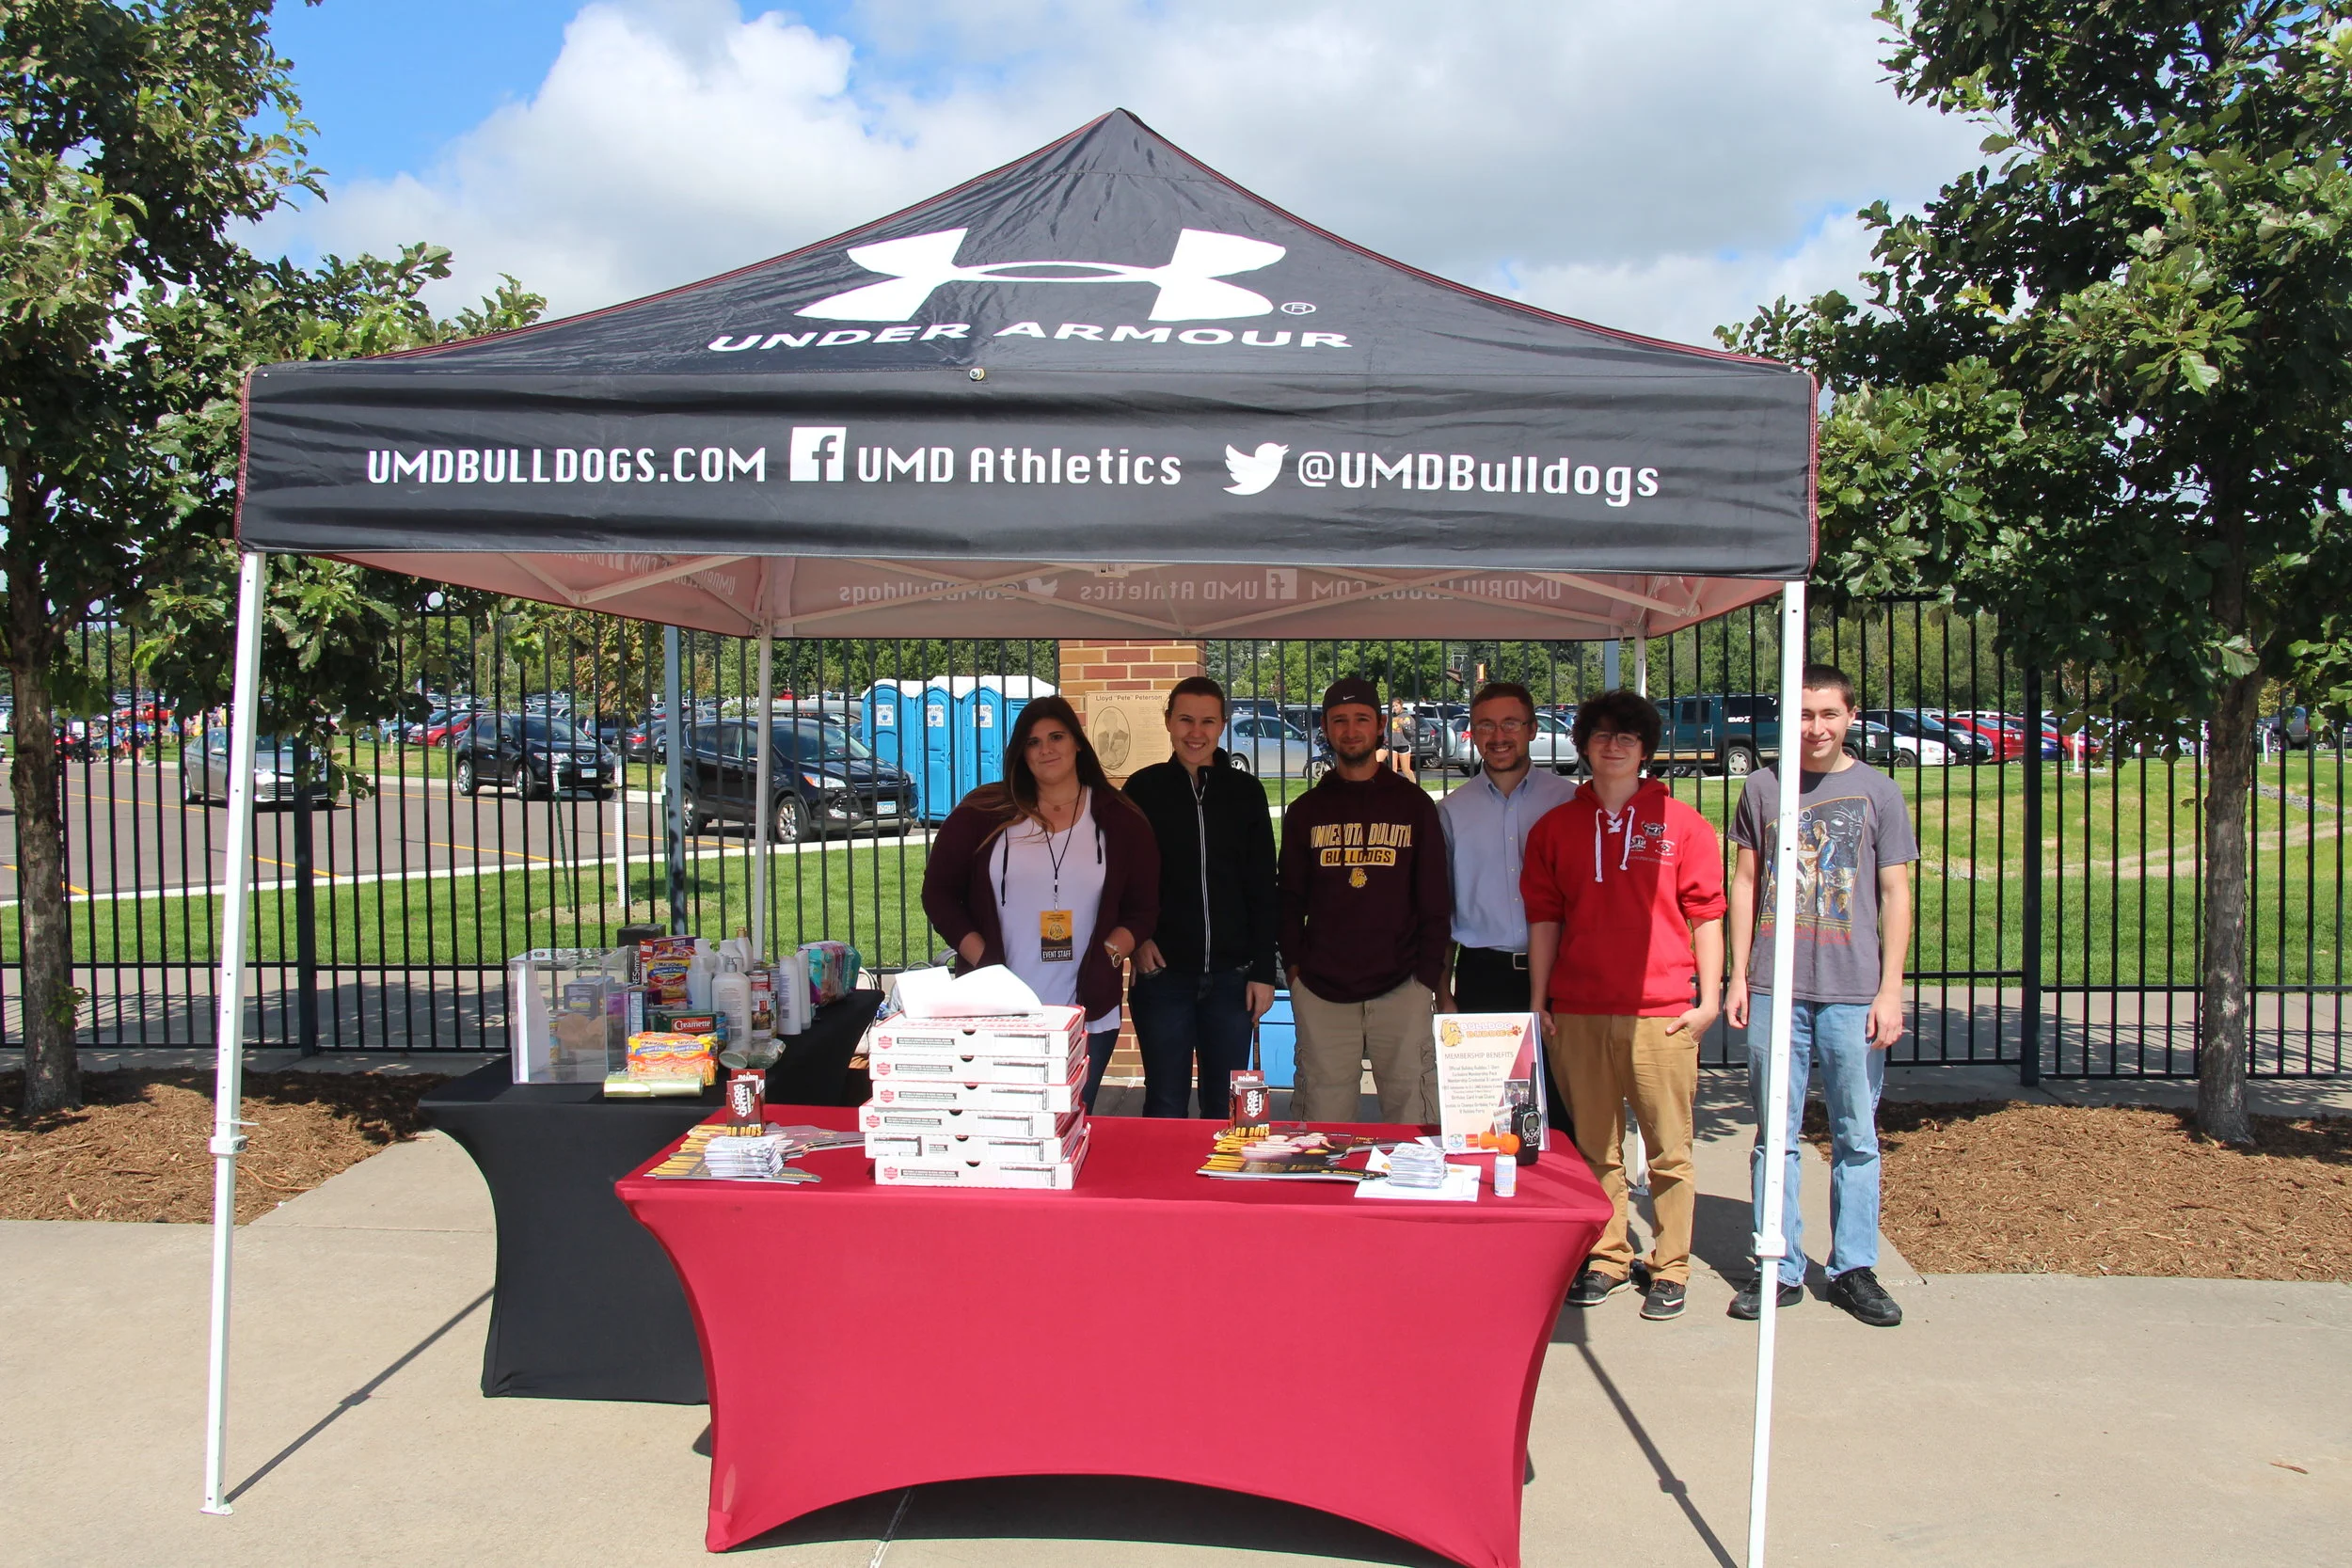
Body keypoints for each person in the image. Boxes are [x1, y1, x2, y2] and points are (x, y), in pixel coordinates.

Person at [1523, 689, 1724, 1323]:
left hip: (1661, 1011)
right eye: (1603, 734)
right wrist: (1540, 1001)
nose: (1614, 745)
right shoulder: (1555, 826)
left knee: (1670, 1149)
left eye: (1628, 737)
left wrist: (1710, 998)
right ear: (1583, 742)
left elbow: (1707, 914)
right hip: (1579, 1009)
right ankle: (1608, 1255)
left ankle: (1672, 1264)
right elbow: (1545, 917)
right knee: (1593, 1149)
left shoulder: (1683, 823)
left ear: (1645, 749)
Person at [1725, 664, 1916, 1327]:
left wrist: (1890, 989)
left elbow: (1896, 893)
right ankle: (1776, 1263)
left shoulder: (1878, 793)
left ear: (1850, 717)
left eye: (1828, 714)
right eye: (1803, 714)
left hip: (1854, 991)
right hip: (1778, 987)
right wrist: (1738, 975)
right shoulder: (1762, 788)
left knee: (1855, 1135)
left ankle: (1854, 1266)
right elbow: (1745, 882)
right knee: (1773, 1134)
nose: (1815, 728)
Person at [921, 696, 1159, 1112]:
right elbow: (938, 893)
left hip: (1086, 1014)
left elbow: (1143, 907)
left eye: (1056, 737)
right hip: (995, 1010)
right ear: (1021, 753)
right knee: (1000, 1124)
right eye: (1032, 742)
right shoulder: (984, 810)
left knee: (1066, 1125)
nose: (1046, 749)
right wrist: (983, 959)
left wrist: (1109, 953)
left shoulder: (1119, 817)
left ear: (1078, 744)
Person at [1279, 676, 1452, 1123]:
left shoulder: (1414, 807)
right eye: (1340, 721)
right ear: (1325, 728)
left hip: (1401, 987)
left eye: (1361, 720)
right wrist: (1296, 972)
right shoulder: (1306, 812)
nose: (1351, 730)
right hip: (1321, 990)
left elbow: (1435, 900)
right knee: (1322, 1126)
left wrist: (1426, 978)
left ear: (1379, 727)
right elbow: (1287, 900)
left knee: (1413, 1121)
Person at [1123, 676, 1279, 1118]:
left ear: (1223, 725)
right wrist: (1139, 939)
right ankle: (1162, 1188)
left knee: (1224, 1106)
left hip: (1233, 979)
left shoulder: (1246, 794)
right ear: (1168, 722)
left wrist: (1264, 971)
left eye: (1208, 721)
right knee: (1165, 1101)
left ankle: (1219, 1188)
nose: (1196, 732)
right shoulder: (1142, 790)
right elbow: (1121, 878)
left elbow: (1264, 887)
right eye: (1186, 720)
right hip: (1164, 976)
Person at [1437, 680, 1578, 1123]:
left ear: (1533, 729)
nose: (1498, 736)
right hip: (1484, 976)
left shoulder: (1569, 801)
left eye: (1510, 724)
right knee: (1488, 1121)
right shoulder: (1452, 811)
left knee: (1564, 1111)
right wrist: (1443, 993)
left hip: (1562, 976)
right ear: (1472, 735)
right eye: (1485, 726)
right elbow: (1442, 908)